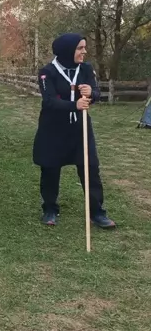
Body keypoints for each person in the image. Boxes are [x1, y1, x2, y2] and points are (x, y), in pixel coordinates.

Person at [33, 33, 116, 228]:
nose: (84, 52)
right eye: (80, 48)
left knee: (90, 169)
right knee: (50, 169)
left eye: (84, 48)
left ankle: (97, 213)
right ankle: (50, 209)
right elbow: (49, 101)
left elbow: (95, 93)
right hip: (53, 130)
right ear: (67, 51)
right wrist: (75, 105)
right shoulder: (47, 72)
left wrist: (92, 94)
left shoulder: (86, 69)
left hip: (80, 129)